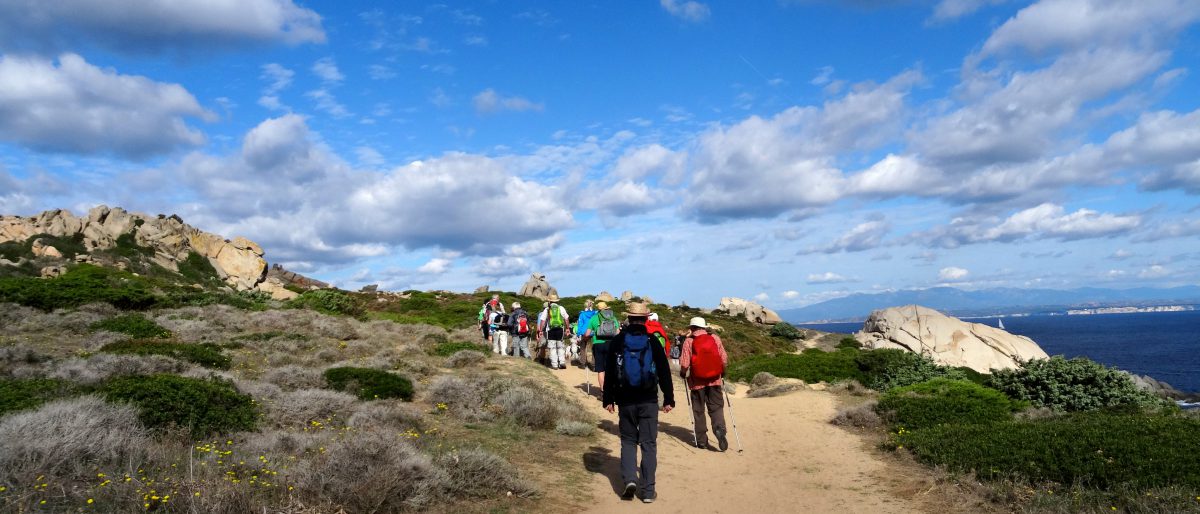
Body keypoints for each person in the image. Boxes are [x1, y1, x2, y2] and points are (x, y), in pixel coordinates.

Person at [602, 302, 674, 504]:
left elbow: (609, 372)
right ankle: (648, 491)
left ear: (629, 318)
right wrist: (668, 398)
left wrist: (608, 398)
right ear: (646, 319)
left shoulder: (618, 340)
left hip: (625, 400)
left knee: (628, 441)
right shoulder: (652, 341)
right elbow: (664, 371)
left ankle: (630, 480)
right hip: (649, 400)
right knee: (649, 444)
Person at [678, 316, 729, 452]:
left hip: (697, 382)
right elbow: (723, 358)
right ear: (704, 327)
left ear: (692, 328)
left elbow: (684, 363)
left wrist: (683, 373)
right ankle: (719, 428)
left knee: (698, 411)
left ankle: (701, 441)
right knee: (716, 407)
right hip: (715, 380)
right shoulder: (715, 338)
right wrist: (722, 372)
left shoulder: (689, 341)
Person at [585, 301, 621, 391]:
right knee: (611, 368)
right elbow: (618, 332)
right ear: (606, 308)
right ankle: (612, 389)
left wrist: (591, 335)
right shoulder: (613, 317)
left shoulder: (594, 318)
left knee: (601, 369)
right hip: (611, 344)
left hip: (598, 345)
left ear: (598, 309)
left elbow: (587, 334)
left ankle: (603, 391)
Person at [538, 295, 570, 369]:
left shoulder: (547, 309)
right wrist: (567, 328)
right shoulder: (561, 308)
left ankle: (554, 364)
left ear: (550, 301)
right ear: (557, 301)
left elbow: (543, 321)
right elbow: (566, 319)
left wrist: (541, 330)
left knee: (552, 348)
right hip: (560, 330)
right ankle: (562, 362)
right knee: (560, 347)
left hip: (550, 330)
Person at [573, 299, 598, 368]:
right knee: (594, 348)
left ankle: (583, 363)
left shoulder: (582, 314)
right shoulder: (595, 313)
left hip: (584, 333)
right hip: (593, 332)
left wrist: (578, 334)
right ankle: (593, 365)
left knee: (583, 348)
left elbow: (580, 324)